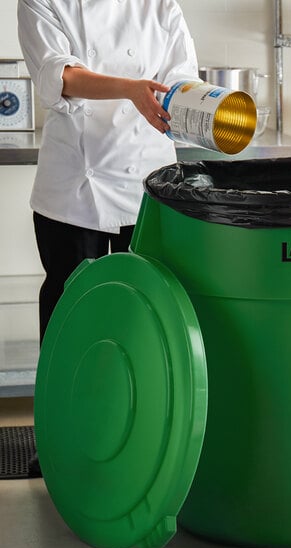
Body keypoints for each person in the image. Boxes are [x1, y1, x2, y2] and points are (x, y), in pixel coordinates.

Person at [17, 0, 199, 476]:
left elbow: (182, 81)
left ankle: (141, 439)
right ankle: (59, 440)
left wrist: (202, 104)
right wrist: (133, 90)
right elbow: (61, 77)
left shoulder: (160, 6)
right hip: (77, 188)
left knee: (145, 317)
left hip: (148, 182)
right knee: (71, 318)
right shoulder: (43, 2)